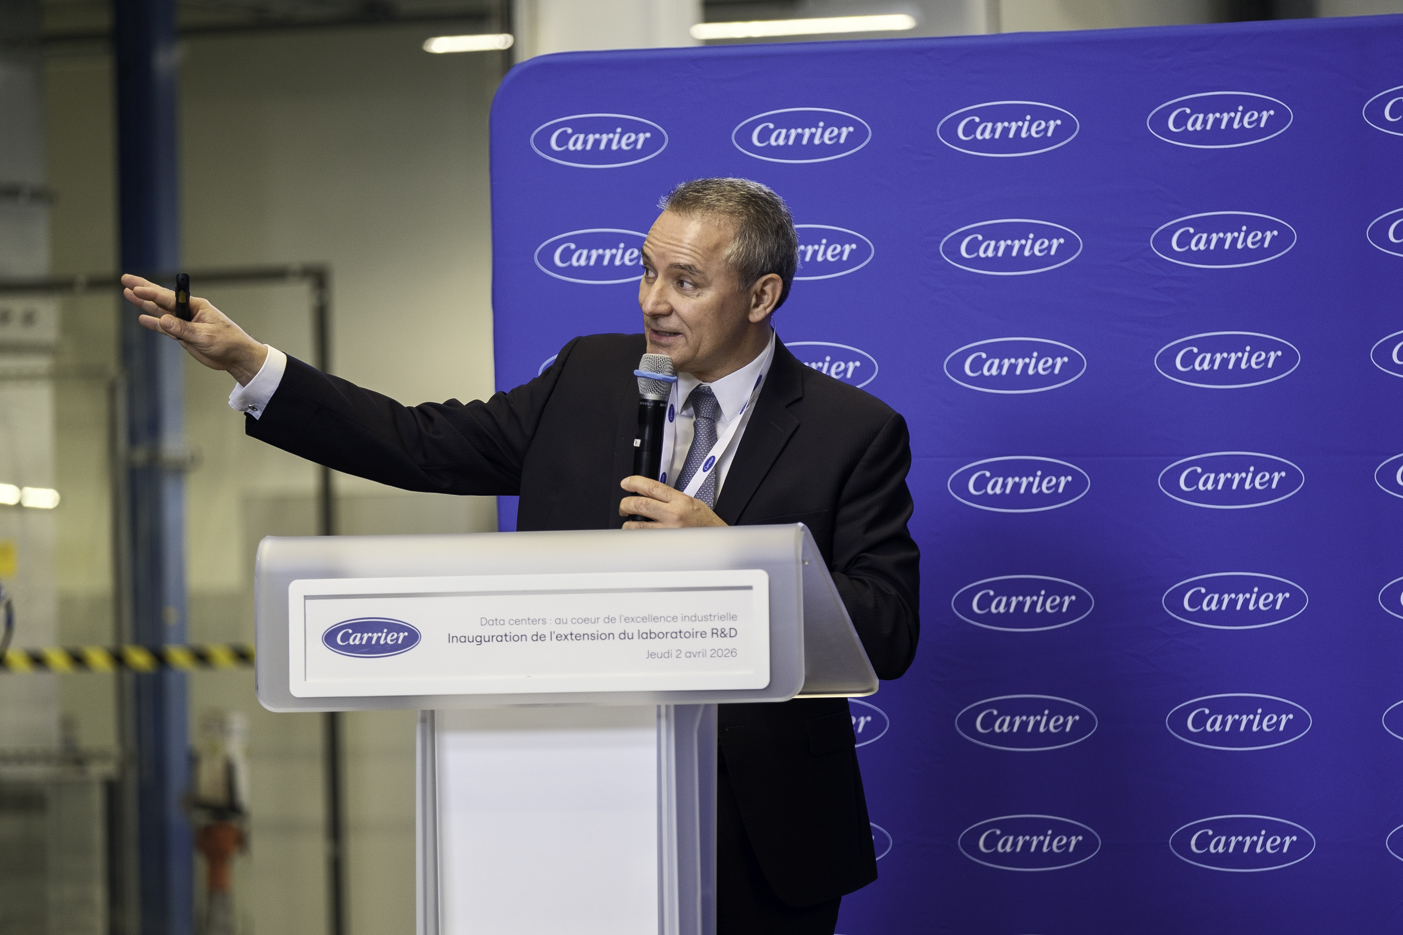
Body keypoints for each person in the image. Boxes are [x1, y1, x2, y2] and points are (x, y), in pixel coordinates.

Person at [123, 177, 920, 935]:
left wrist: (735, 557)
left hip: (762, 829)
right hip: (566, 799)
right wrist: (249, 363)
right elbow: (419, 443)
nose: (652, 302)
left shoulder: (850, 431)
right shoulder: (590, 377)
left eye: (684, 282)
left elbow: (886, 630)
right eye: (645, 272)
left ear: (761, 295)